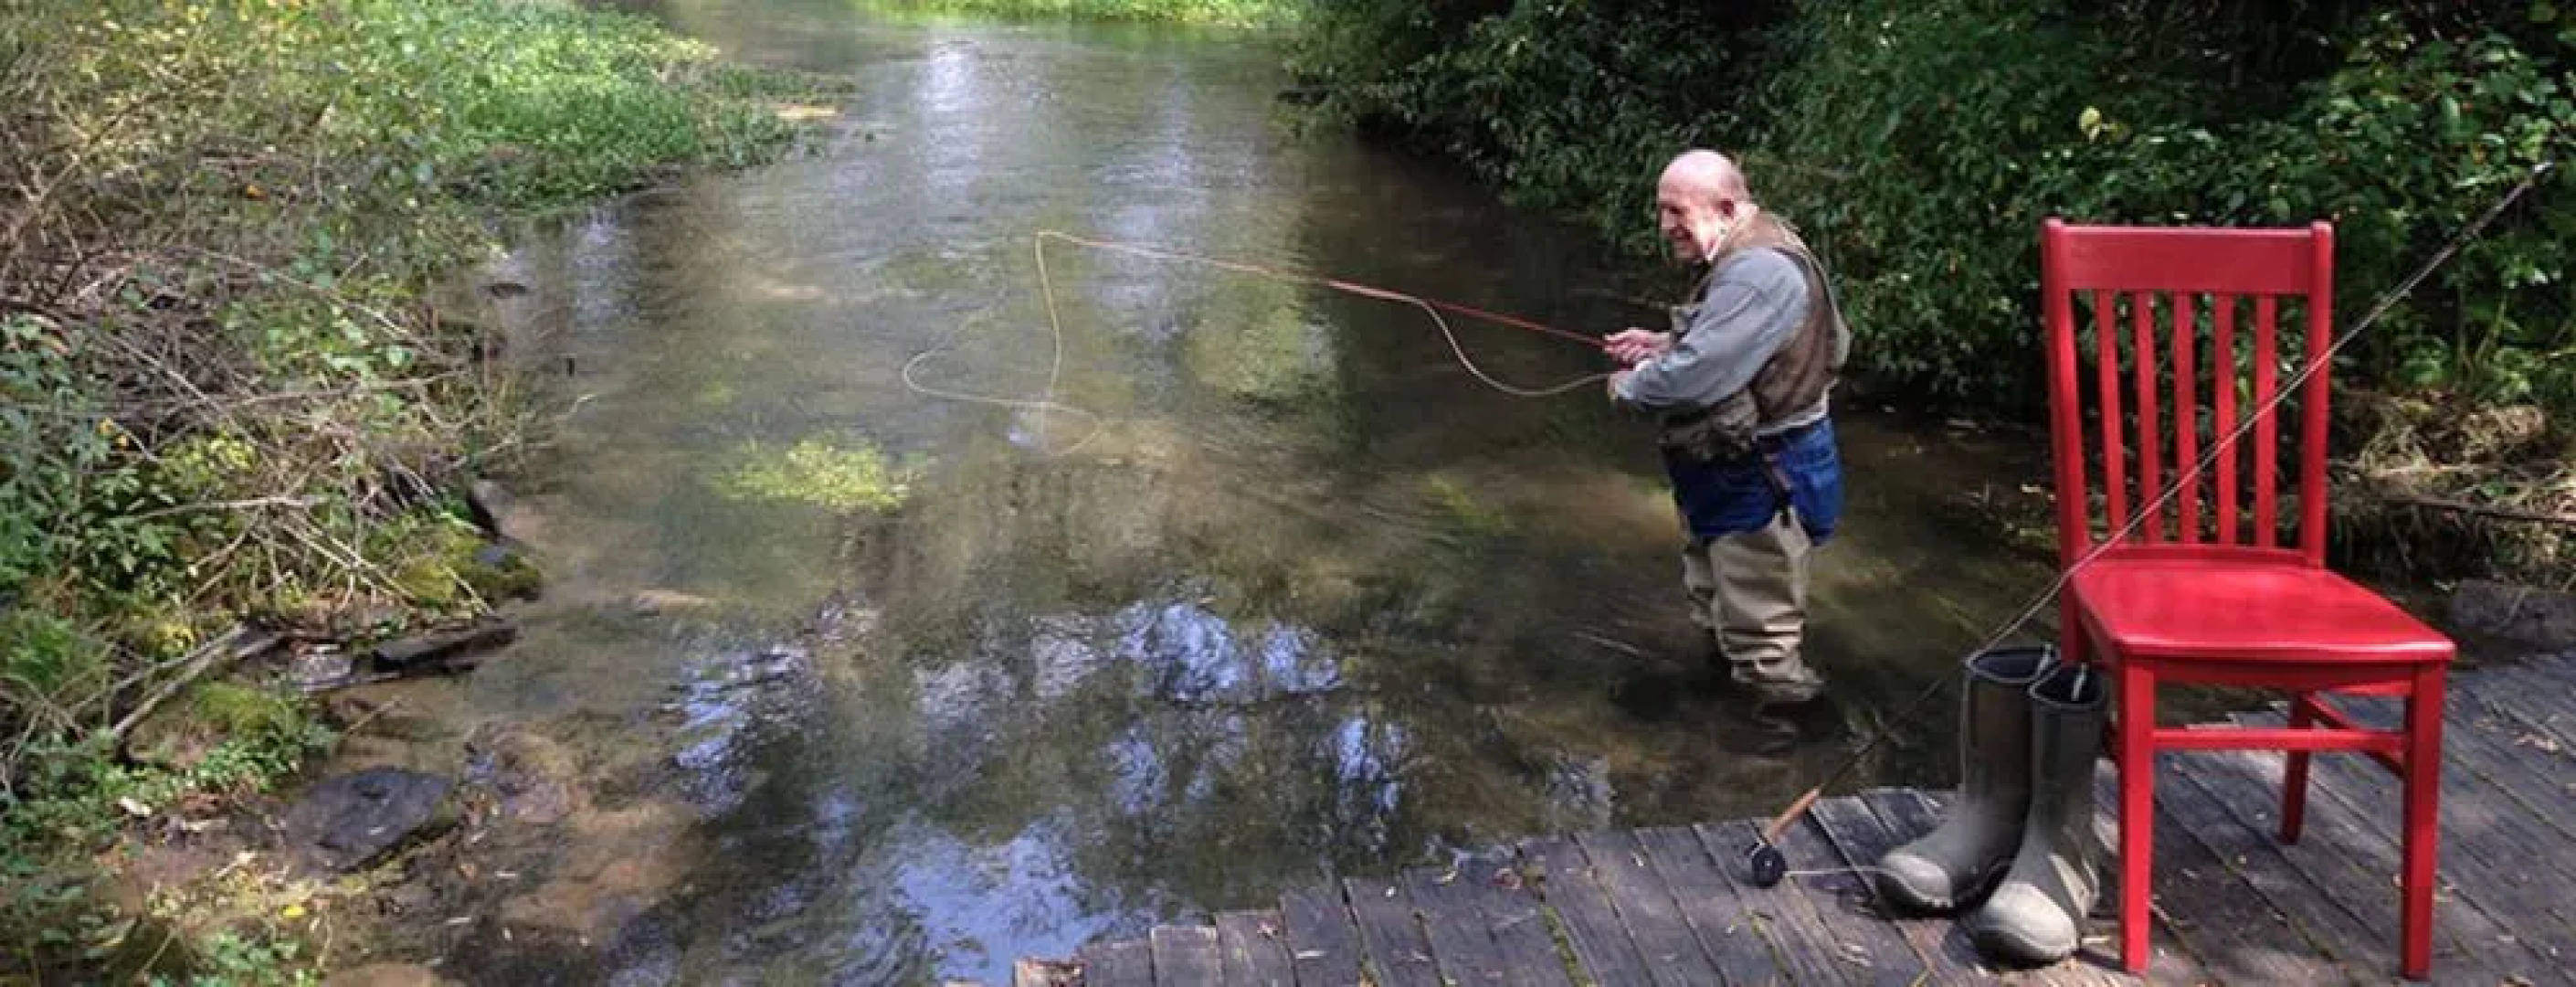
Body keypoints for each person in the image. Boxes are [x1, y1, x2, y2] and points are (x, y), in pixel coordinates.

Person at [1603, 149, 1850, 714]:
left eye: (1675, 212)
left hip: (1763, 473)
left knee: (1762, 642)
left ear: (1724, 206)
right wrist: (1662, 344)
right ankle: (1722, 712)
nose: (1665, 226)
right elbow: (1737, 343)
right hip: (1732, 467)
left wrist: (1632, 386)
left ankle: (1781, 751)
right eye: (1661, 211)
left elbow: (1694, 378)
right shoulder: (1752, 248)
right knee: (1718, 605)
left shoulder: (1759, 272)